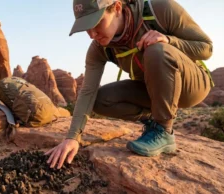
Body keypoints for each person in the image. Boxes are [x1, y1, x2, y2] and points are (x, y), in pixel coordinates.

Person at [45, 0, 213, 169]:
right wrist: (73, 138)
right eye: (86, 27)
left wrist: (169, 40)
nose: (92, 34)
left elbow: (207, 48)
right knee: (99, 100)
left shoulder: (160, 10)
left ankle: (163, 131)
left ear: (117, 8)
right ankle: (153, 121)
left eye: (96, 23)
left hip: (191, 86)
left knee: (157, 50)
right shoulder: (99, 48)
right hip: (153, 91)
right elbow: (88, 91)